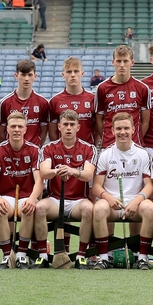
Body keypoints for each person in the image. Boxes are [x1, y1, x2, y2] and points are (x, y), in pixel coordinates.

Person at [91, 113, 153, 270]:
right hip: (113, 203)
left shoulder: (142, 154)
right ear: (112, 130)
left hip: (135, 202)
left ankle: (142, 257)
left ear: (133, 129)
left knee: (149, 208)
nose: (122, 132)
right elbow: (96, 186)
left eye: (126, 128)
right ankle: (104, 257)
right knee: (99, 209)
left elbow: (149, 186)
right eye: (118, 128)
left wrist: (136, 201)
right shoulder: (105, 154)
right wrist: (108, 198)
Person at [37, 109, 97, 269]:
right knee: (39, 208)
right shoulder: (49, 148)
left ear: (78, 127)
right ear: (59, 127)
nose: (68, 128)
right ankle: (42, 255)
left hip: (78, 200)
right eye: (65, 124)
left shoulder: (89, 148)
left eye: (72, 124)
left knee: (89, 209)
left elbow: (88, 175)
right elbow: (44, 172)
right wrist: (58, 171)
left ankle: (81, 256)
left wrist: (72, 171)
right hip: (55, 199)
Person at [0, 112, 43, 269]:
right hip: (6, 195)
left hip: (27, 195)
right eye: (13, 126)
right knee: (0, 209)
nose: (16, 129)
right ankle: (7, 255)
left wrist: (32, 199)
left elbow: (39, 180)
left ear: (25, 129)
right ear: (7, 129)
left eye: (20, 126)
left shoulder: (34, 150)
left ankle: (21, 256)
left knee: (28, 209)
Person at [94, 45, 151, 149]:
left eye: (125, 61)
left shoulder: (142, 88)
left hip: (134, 146)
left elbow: (145, 122)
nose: (122, 65)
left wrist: (135, 139)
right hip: (109, 145)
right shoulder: (102, 88)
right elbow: (98, 120)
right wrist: (107, 137)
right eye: (118, 61)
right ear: (113, 62)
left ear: (132, 63)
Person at [0, 59, 49, 146]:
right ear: (16, 75)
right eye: (23, 75)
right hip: (11, 151)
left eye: (30, 75)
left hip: (34, 151)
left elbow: (44, 130)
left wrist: (36, 148)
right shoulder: (5, 102)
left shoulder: (43, 102)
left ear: (35, 76)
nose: (26, 79)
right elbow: (0, 133)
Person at [48, 57, 97, 146]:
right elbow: (52, 133)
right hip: (63, 151)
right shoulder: (55, 101)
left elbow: (98, 128)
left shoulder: (93, 99)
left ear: (82, 73)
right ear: (63, 74)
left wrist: (92, 146)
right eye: (69, 72)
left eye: (76, 71)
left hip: (87, 150)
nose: (73, 75)